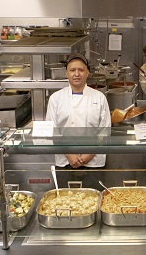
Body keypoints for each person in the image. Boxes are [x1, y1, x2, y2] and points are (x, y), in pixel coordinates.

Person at [46, 52, 111, 184]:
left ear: (87, 73)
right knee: (66, 201)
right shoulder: (56, 98)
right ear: (66, 73)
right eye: (72, 70)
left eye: (81, 70)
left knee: (93, 201)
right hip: (65, 161)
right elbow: (53, 131)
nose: (77, 74)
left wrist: (88, 155)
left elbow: (104, 131)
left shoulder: (99, 97)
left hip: (93, 162)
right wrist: (69, 154)